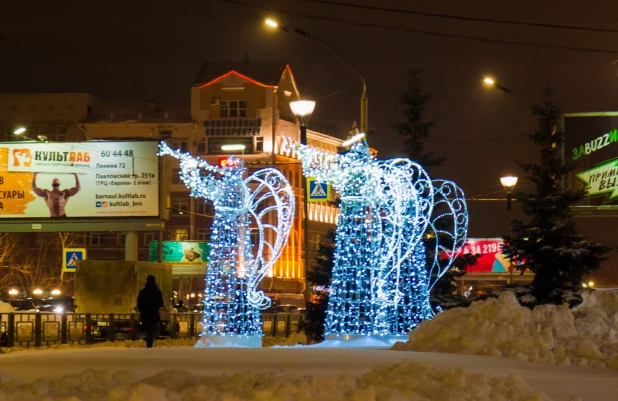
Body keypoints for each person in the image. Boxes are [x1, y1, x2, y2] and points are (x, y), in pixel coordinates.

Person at [137, 275, 164, 348]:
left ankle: (148, 343)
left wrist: (142, 310)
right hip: (154, 314)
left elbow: (139, 303)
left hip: (145, 314)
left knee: (147, 330)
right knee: (152, 331)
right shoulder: (157, 292)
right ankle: (150, 344)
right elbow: (161, 303)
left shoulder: (142, 292)